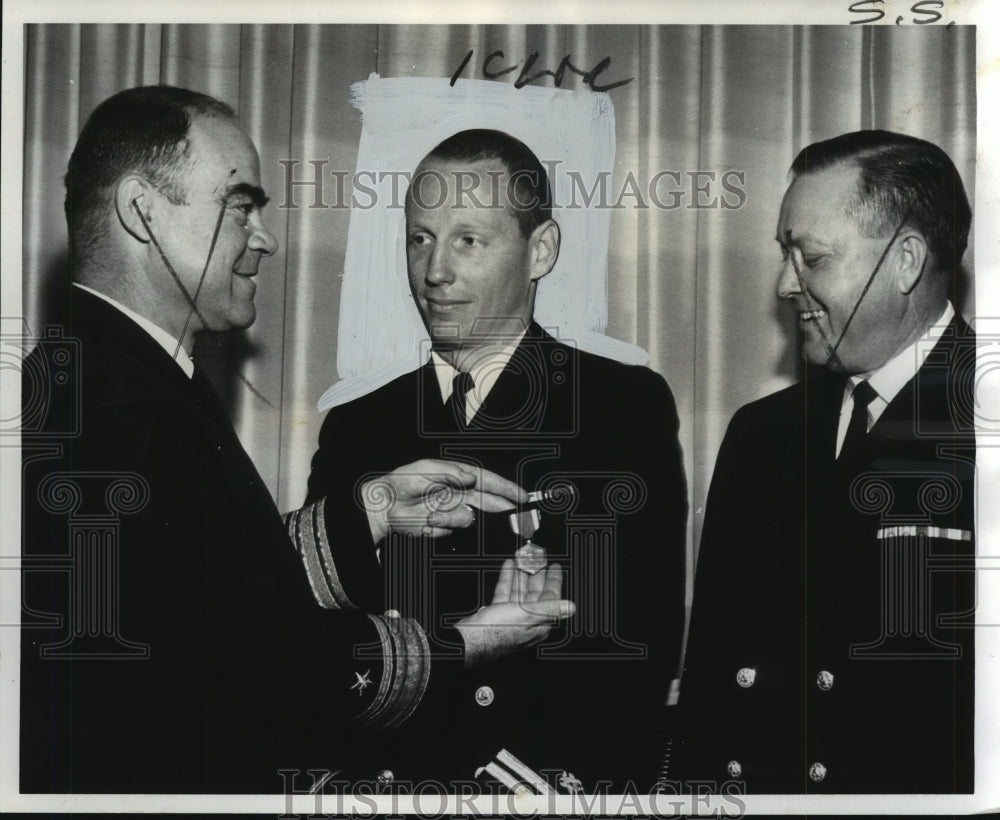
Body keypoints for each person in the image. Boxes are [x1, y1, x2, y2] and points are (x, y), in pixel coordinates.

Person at [20, 88, 572, 794]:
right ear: (142, 212)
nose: (265, 237)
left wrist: (370, 510)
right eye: (240, 204)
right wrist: (470, 644)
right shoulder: (123, 408)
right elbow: (274, 661)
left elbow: (203, 589)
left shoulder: (98, 378)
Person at [301, 129, 688, 792]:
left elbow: (633, 651)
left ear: (541, 250)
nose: (435, 271)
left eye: (468, 240)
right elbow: (322, 650)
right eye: (419, 238)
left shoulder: (620, 406)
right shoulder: (357, 427)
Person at [671, 130, 976, 793]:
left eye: (813, 258)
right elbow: (711, 686)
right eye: (786, 256)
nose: (786, 285)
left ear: (906, 262)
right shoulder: (761, 433)